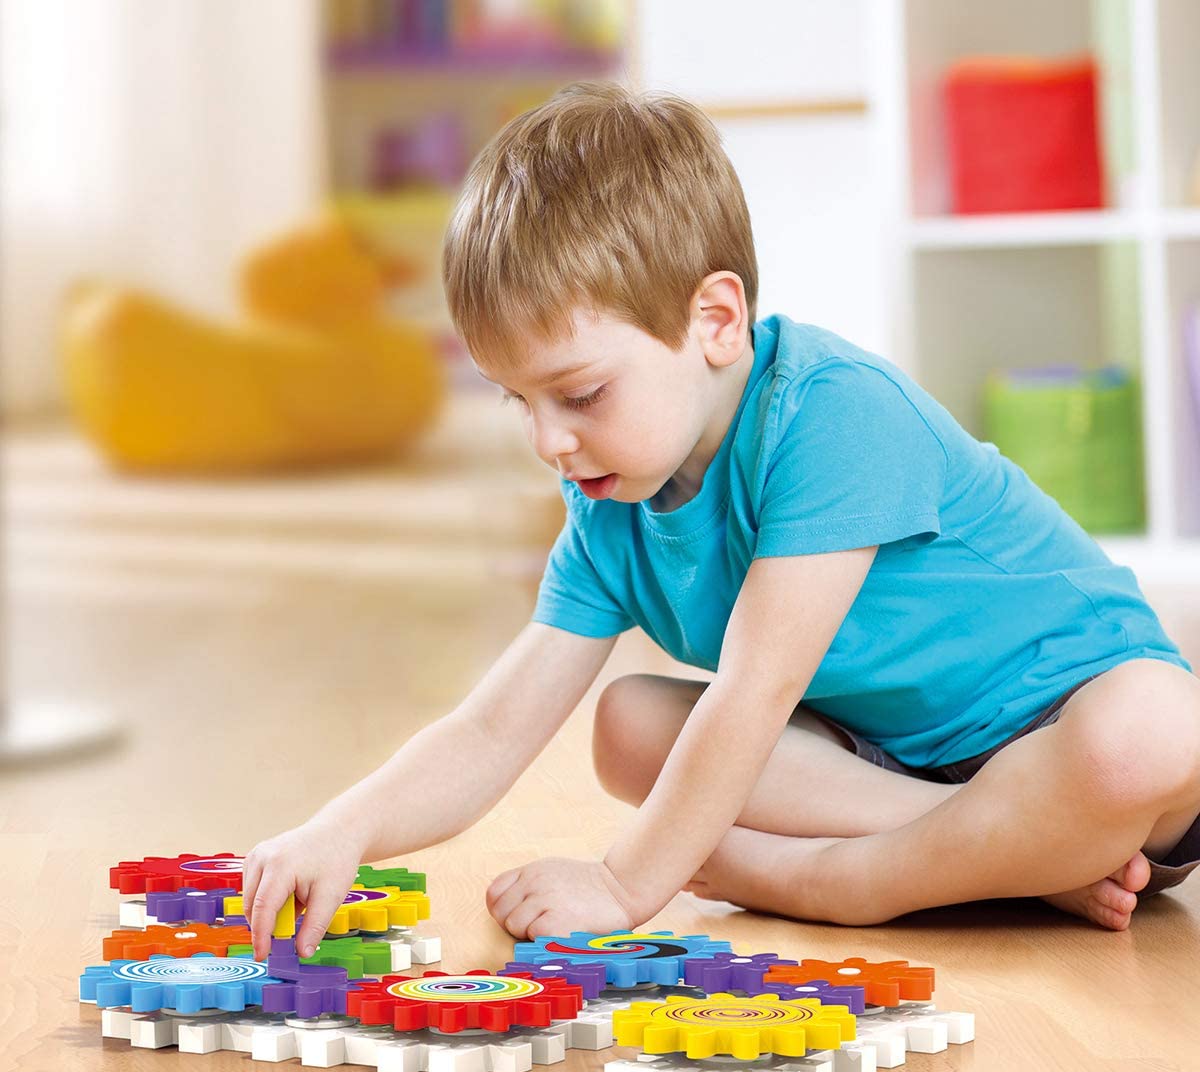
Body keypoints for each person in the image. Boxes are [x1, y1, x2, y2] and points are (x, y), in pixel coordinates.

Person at [242, 82, 1200, 958]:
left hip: (1074, 727)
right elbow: (494, 728)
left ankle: (847, 882)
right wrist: (344, 827)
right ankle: (1016, 859)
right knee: (627, 725)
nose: (549, 442)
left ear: (715, 321)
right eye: (517, 402)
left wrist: (624, 883)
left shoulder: (835, 413)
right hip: (903, 771)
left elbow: (754, 691)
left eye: (579, 394)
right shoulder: (612, 500)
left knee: (1154, 731)